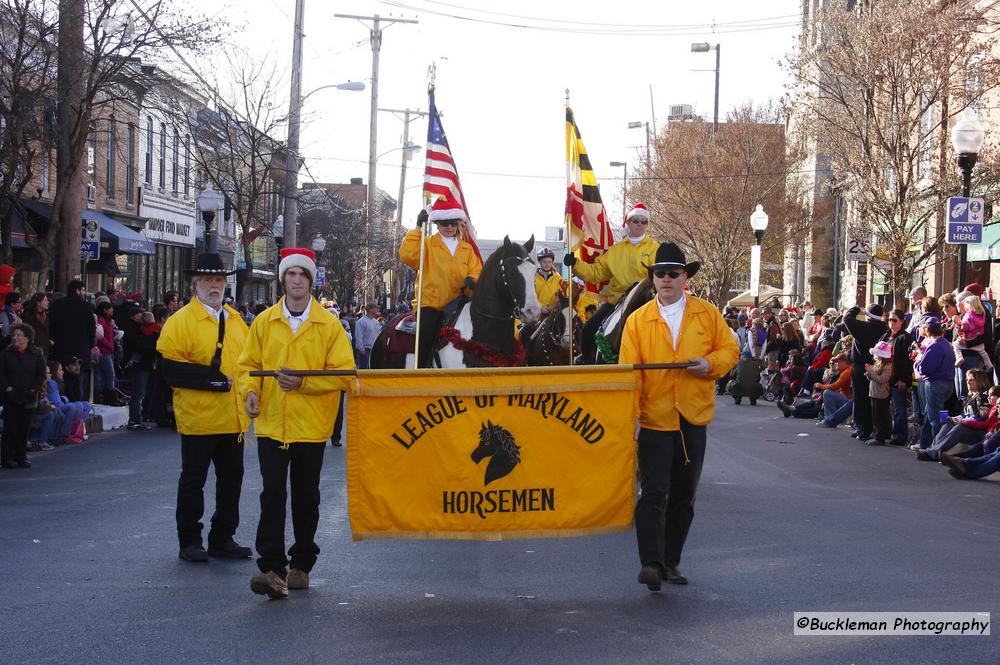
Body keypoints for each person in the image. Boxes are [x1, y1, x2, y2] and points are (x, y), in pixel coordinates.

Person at [619, 242, 739, 591]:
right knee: (654, 492)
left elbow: (730, 349)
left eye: (674, 273)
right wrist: (632, 418)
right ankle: (651, 563)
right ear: (653, 279)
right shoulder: (638, 321)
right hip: (654, 419)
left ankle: (671, 561)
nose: (667, 279)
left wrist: (711, 365)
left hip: (692, 417)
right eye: (661, 274)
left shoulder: (707, 314)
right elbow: (630, 373)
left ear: (685, 277)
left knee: (684, 495)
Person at [237, 248, 356, 599]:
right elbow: (248, 366)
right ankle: (271, 568)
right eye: (292, 274)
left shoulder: (329, 326)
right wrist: (249, 392)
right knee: (272, 493)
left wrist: (305, 383)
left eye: (303, 274)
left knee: (306, 497)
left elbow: (344, 375)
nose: (297, 280)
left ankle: (301, 563)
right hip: (273, 423)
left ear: (311, 280)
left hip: (310, 426)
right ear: (283, 278)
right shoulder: (263, 322)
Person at [156, 253, 253, 564]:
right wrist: (214, 381)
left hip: (234, 418)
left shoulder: (237, 321)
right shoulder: (180, 322)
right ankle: (190, 540)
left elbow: (249, 365)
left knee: (231, 481)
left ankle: (223, 536)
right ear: (196, 285)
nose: (215, 286)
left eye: (219, 280)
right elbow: (169, 370)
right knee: (193, 480)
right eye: (209, 280)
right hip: (199, 417)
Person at [565, 202, 659, 360]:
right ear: (628, 222)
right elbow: (596, 273)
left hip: (645, 302)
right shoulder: (616, 250)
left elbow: (658, 277)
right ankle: (588, 365)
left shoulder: (655, 248)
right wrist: (575, 264)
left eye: (644, 222)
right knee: (588, 329)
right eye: (636, 221)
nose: (640, 225)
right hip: (616, 302)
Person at [399, 200, 483, 368]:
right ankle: (422, 369)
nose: (450, 227)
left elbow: (477, 270)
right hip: (432, 304)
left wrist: (472, 280)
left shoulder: (466, 248)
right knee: (426, 334)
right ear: (437, 223)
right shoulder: (427, 244)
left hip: (460, 303)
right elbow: (407, 255)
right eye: (445, 223)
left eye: (453, 223)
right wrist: (417, 229)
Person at [837, 304, 888, 441]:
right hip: (877, 365)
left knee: (860, 399)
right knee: (872, 399)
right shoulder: (884, 328)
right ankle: (868, 428)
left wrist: (857, 309)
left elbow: (847, 318)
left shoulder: (863, 327)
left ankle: (862, 428)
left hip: (861, 366)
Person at [0, 324, 47, 469]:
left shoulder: (36, 353)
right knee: (11, 428)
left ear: (27, 338)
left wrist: (34, 389)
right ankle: (7, 458)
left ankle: (21, 457)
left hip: (29, 395)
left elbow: (41, 373)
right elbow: (1, 373)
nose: (16, 338)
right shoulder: (6, 353)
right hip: (11, 396)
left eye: (19, 335)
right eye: (14, 335)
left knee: (24, 427)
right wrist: (7, 388)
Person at [912, 317, 955, 451]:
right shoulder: (945, 343)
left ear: (928, 330)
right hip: (947, 384)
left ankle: (938, 447)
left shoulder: (935, 346)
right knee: (935, 414)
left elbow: (926, 368)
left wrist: (918, 362)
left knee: (935, 418)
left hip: (936, 384)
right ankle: (926, 443)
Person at [882, 309, 914, 446]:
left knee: (899, 408)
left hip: (897, 377)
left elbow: (907, 361)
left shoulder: (905, 338)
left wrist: (904, 379)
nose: (891, 323)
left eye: (894, 320)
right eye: (889, 320)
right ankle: (883, 431)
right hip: (884, 377)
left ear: (902, 321)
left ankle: (900, 435)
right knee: (883, 406)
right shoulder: (885, 336)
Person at [952, 294, 993, 370]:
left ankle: (959, 357)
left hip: (971, 354)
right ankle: (989, 364)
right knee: (983, 353)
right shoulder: (978, 314)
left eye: (958, 302)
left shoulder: (970, 315)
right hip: (973, 344)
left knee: (955, 345)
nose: (956, 304)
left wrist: (960, 325)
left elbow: (985, 335)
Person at [864, 341, 894, 445]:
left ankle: (880, 437)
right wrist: (868, 373)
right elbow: (873, 377)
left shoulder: (888, 366)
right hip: (873, 392)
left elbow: (882, 380)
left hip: (881, 394)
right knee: (875, 416)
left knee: (881, 416)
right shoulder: (877, 364)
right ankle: (876, 433)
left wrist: (871, 372)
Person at [533, 247, 564, 314]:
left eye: (549, 262)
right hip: (536, 311)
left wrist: (553, 307)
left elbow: (561, 295)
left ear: (552, 262)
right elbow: (531, 297)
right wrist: (541, 307)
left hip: (553, 312)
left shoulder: (558, 278)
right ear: (540, 262)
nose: (547, 264)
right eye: (544, 262)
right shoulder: (533, 278)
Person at [21, 293, 51, 361]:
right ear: (38, 303)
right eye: (45, 300)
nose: (48, 302)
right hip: (32, 349)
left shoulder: (47, 316)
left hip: (45, 349)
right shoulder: (27, 316)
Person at [353, 302, 382, 370]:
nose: (377, 310)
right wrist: (361, 348)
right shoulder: (361, 321)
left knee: (372, 367)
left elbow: (378, 334)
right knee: (364, 368)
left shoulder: (376, 322)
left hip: (374, 348)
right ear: (370, 309)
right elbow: (359, 335)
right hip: (365, 349)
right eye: (375, 308)